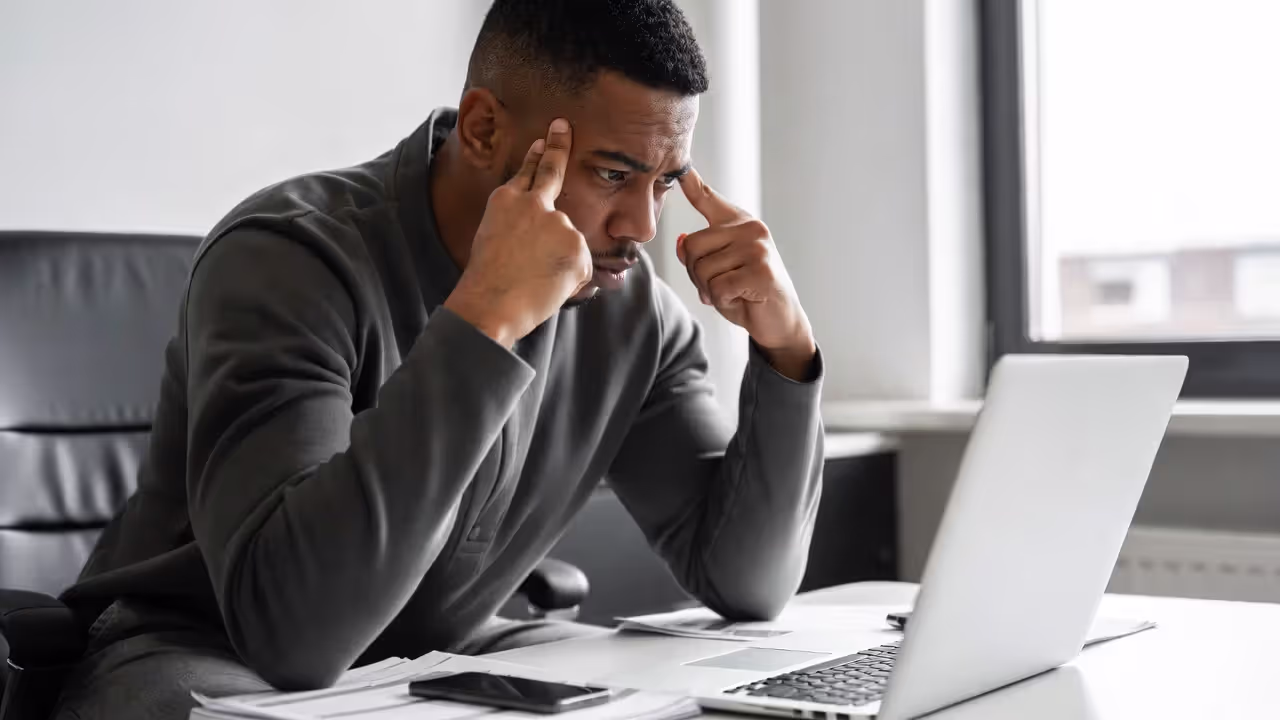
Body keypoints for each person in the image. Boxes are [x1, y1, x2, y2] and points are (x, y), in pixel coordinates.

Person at [52, 1, 824, 717]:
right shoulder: (287, 260)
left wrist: (786, 348)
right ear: (484, 130)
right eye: (613, 174)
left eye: (664, 183)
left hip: (441, 652)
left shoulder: (628, 311)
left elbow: (745, 583)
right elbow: (294, 634)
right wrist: (486, 316)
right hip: (204, 654)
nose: (643, 224)